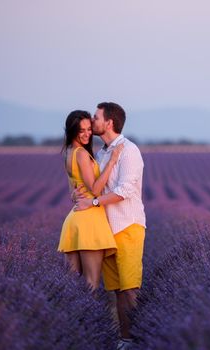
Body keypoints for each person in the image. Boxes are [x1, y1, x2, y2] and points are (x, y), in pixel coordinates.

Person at [74, 102, 146, 349]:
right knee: (116, 290)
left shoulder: (129, 150)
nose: (92, 121)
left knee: (130, 289)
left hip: (128, 226)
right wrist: (80, 194)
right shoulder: (102, 152)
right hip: (106, 230)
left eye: (96, 117)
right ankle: (124, 340)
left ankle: (135, 340)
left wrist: (93, 202)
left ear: (109, 123)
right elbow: (96, 185)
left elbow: (125, 189)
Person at [58, 110, 123, 290]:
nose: (87, 133)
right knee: (91, 284)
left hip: (74, 220)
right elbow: (95, 190)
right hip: (89, 220)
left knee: (71, 287)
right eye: (82, 130)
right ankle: (87, 319)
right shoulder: (81, 154)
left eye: (89, 129)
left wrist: (73, 195)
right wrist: (112, 161)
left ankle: (72, 319)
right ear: (72, 131)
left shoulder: (69, 152)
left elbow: (73, 189)